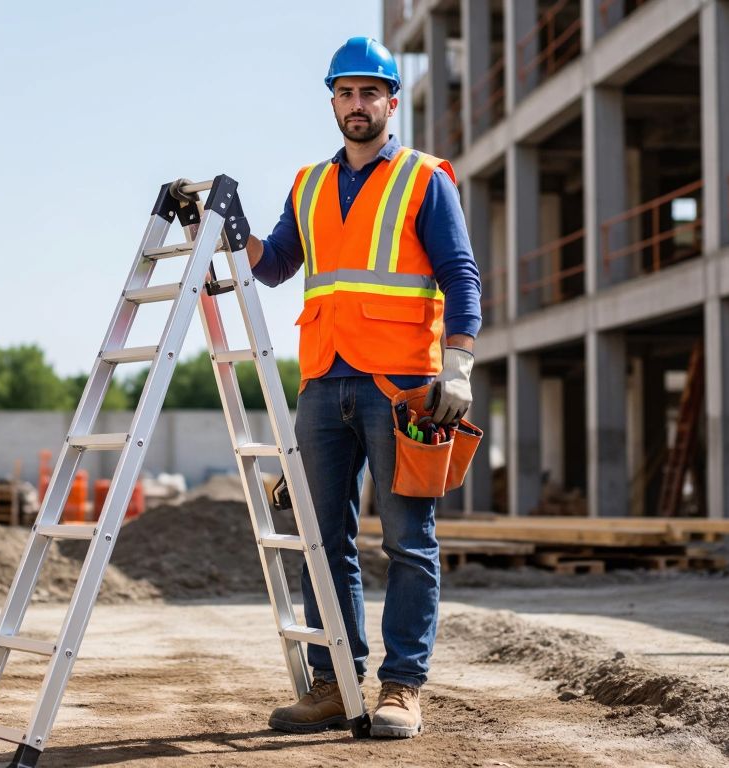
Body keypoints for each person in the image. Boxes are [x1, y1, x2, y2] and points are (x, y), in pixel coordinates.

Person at [244, 36, 481, 739]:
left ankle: (402, 687)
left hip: (402, 385)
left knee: (408, 541)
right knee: (325, 541)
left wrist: (459, 365)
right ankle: (333, 683)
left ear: (390, 101)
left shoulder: (423, 178)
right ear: (333, 102)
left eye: (368, 92)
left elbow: (460, 275)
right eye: (345, 93)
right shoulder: (309, 184)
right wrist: (232, 234)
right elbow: (276, 265)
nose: (357, 105)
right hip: (321, 382)